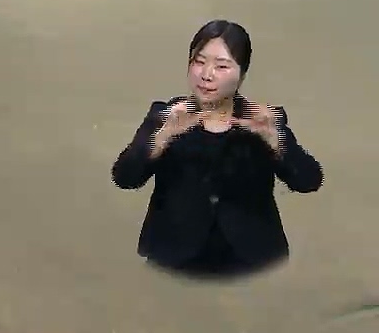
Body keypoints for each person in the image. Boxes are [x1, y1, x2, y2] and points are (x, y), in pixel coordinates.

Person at [110, 20, 323, 279]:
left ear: (242, 74)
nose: (206, 74)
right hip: (173, 258)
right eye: (199, 62)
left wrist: (275, 140)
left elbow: (309, 181)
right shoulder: (166, 115)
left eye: (221, 66)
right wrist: (162, 137)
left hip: (252, 261)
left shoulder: (261, 119)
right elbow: (124, 178)